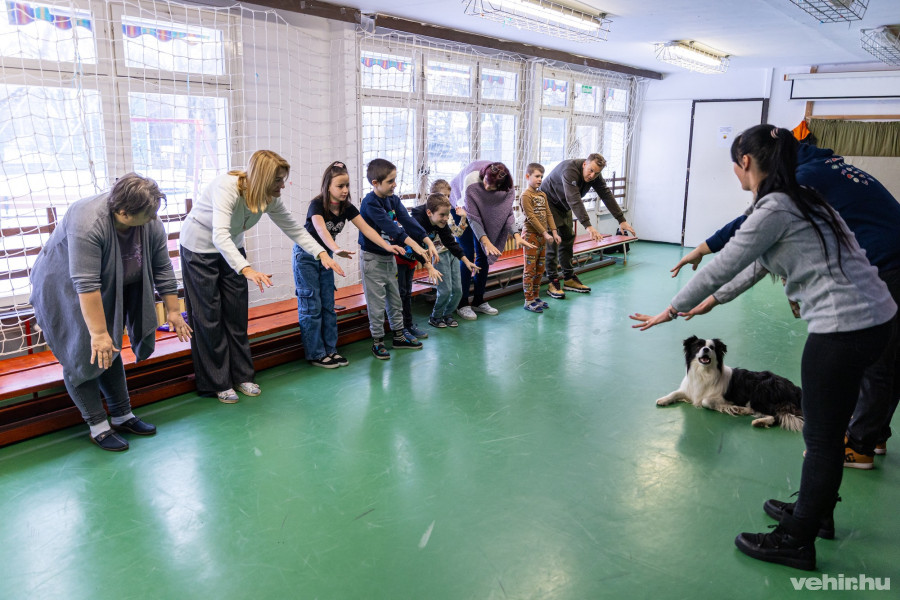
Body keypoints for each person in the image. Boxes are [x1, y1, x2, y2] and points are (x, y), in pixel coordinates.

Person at [629, 125, 896, 571]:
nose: (734, 172)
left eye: (734, 165)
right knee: (828, 431)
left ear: (746, 162)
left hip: (843, 327)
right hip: (876, 318)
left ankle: (797, 539)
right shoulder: (804, 198)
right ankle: (815, 513)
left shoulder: (775, 206)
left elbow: (724, 264)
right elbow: (755, 266)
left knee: (821, 438)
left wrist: (671, 309)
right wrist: (712, 302)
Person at [670, 143, 900, 470]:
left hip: (886, 267)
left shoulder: (803, 179)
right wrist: (716, 298)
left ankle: (859, 445)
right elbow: (762, 259)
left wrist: (703, 249)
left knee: (875, 365)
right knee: (890, 361)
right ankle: (872, 433)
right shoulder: (826, 167)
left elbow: (750, 227)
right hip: (889, 264)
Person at [30, 174, 192, 451]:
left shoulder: (150, 220)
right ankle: (97, 426)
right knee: (82, 354)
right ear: (123, 213)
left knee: (111, 346)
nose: (153, 219)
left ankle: (122, 415)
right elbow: (86, 284)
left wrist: (174, 311)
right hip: (64, 287)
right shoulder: (88, 221)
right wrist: (98, 333)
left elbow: (162, 266)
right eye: (147, 214)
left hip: (107, 283)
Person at [179, 150, 343, 403]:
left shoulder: (269, 198)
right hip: (199, 249)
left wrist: (321, 253)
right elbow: (219, 235)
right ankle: (217, 383)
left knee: (236, 315)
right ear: (263, 178)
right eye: (278, 180)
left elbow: (294, 229)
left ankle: (242, 376)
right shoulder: (227, 188)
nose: (282, 186)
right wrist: (246, 269)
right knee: (208, 318)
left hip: (233, 249)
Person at [293, 161, 405, 369]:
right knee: (312, 306)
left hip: (328, 256)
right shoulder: (316, 204)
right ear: (328, 186)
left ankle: (331, 350)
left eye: (347, 186)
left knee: (328, 305)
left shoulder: (347, 207)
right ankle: (316, 354)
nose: (345, 190)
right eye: (340, 186)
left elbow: (367, 229)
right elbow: (321, 230)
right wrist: (335, 249)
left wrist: (387, 245)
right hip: (306, 256)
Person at [359, 158, 437, 360]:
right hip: (372, 260)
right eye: (390, 181)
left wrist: (427, 240)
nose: (394, 184)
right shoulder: (370, 203)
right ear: (375, 183)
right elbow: (392, 228)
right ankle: (378, 341)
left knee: (395, 300)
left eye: (395, 179)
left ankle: (399, 336)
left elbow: (407, 220)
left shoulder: (392, 199)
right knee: (377, 305)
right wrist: (416, 246)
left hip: (389, 258)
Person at [540, 154, 636, 297]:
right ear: (585, 164)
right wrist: (588, 226)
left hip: (563, 205)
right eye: (590, 170)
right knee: (553, 240)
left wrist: (621, 219)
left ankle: (569, 278)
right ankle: (553, 281)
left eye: (596, 173)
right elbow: (574, 199)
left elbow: (606, 194)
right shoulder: (570, 170)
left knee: (568, 238)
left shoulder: (595, 175)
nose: (592, 176)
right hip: (548, 203)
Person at [449, 160, 534, 320]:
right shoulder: (472, 181)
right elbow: (472, 217)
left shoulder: (507, 187)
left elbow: (507, 213)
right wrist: (486, 241)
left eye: (492, 187)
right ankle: (462, 303)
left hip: (479, 207)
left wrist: (516, 235)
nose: (487, 188)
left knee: (483, 254)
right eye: (486, 183)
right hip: (460, 207)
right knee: (466, 253)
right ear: (484, 176)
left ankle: (478, 300)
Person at [410, 193, 480, 328]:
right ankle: (435, 316)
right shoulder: (417, 221)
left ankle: (447, 314)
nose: (446, 219)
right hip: (413, 255)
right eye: (442, 215)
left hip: (443, 254)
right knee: (445, 290)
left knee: (458, 290)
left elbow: (450, 241)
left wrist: (466, 260)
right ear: (429, 213)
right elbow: (416, 248)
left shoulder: (440, 222)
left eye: (447, 215)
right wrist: (429, 266)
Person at [520, 162, 561, 313]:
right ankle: (528, 300)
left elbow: (548, 214)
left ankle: (536, 297)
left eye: (541, 177)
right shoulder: (526, 195)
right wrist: (545, 233)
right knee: (530, 270)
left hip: (542, 237)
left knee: (540, 269)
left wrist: (554, 232)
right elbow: (531, 217)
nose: (539, 179)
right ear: (527, 176)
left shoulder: (542, 195)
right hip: (530, 236)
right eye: (537, 176)